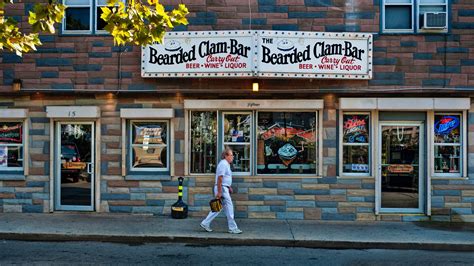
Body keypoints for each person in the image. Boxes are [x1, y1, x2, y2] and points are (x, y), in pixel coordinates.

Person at [200, 147, 242, 234]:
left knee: (218, 208)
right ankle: (233, 228)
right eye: (231, 155)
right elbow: (220, 178)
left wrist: (228, 186)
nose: (233, 157)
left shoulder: (226, 164)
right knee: (229, 208)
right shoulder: (223, 164)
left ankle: (205, 223)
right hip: (222, 188)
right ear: (226, 156)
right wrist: (219, 192)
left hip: (223, 187)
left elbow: (224, 178)